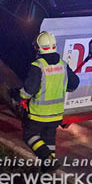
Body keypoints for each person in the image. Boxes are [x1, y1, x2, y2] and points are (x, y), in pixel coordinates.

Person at [15, 31, 80, 171]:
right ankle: (47, 172)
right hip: (56, 114)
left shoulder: (38, 65)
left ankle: (48, 159)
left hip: (39, 114)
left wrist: (19, 97)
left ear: (38, 48)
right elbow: (74, 84)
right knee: (49, 139)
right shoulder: (63, 64)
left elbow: (30, 89)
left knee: (29, 135)